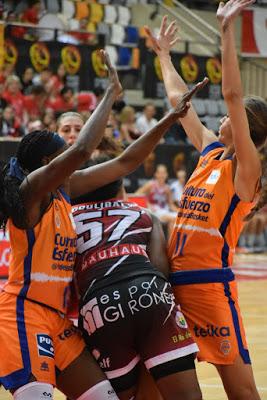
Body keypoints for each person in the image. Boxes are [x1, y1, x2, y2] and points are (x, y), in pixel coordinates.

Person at [145, 2, 267, 399]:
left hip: (209, 289)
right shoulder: (212, 153)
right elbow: (181, 104)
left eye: (232, 116)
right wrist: (163, 55)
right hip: (170, 285)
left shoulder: (246, 171)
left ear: (247, 128)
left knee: (243, 392)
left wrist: (226, 31)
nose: (223, 118)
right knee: (160, 388)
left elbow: (233, 93)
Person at [0, 50, 122, 400]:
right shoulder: (32, 191)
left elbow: (124, 162)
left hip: (57, 317)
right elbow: (82, 150)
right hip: (23, 313)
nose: (70, 142)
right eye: (63, 139)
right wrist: (111, 94)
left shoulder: (65, 189)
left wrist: (170, 119)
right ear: (46, 163)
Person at [71, 155, 200, 400]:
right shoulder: (143, 213)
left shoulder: (67, 219)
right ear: (120, 187)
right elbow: (162, 269)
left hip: (100, 305)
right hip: (149, 290)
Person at [136, 164, 178, 237]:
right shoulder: (151, 184)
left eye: (164, 173)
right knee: (172, 219)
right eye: (160, 173)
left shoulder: (167, 188)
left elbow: (170, 204)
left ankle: (173, 244)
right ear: (156, 174)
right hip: (153, 212)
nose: (162, 175)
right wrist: (147, 203)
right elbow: (137, 194)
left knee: (178, 218)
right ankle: (169, 246)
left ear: (167, 174)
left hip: (164, 211)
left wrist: (180, 212)